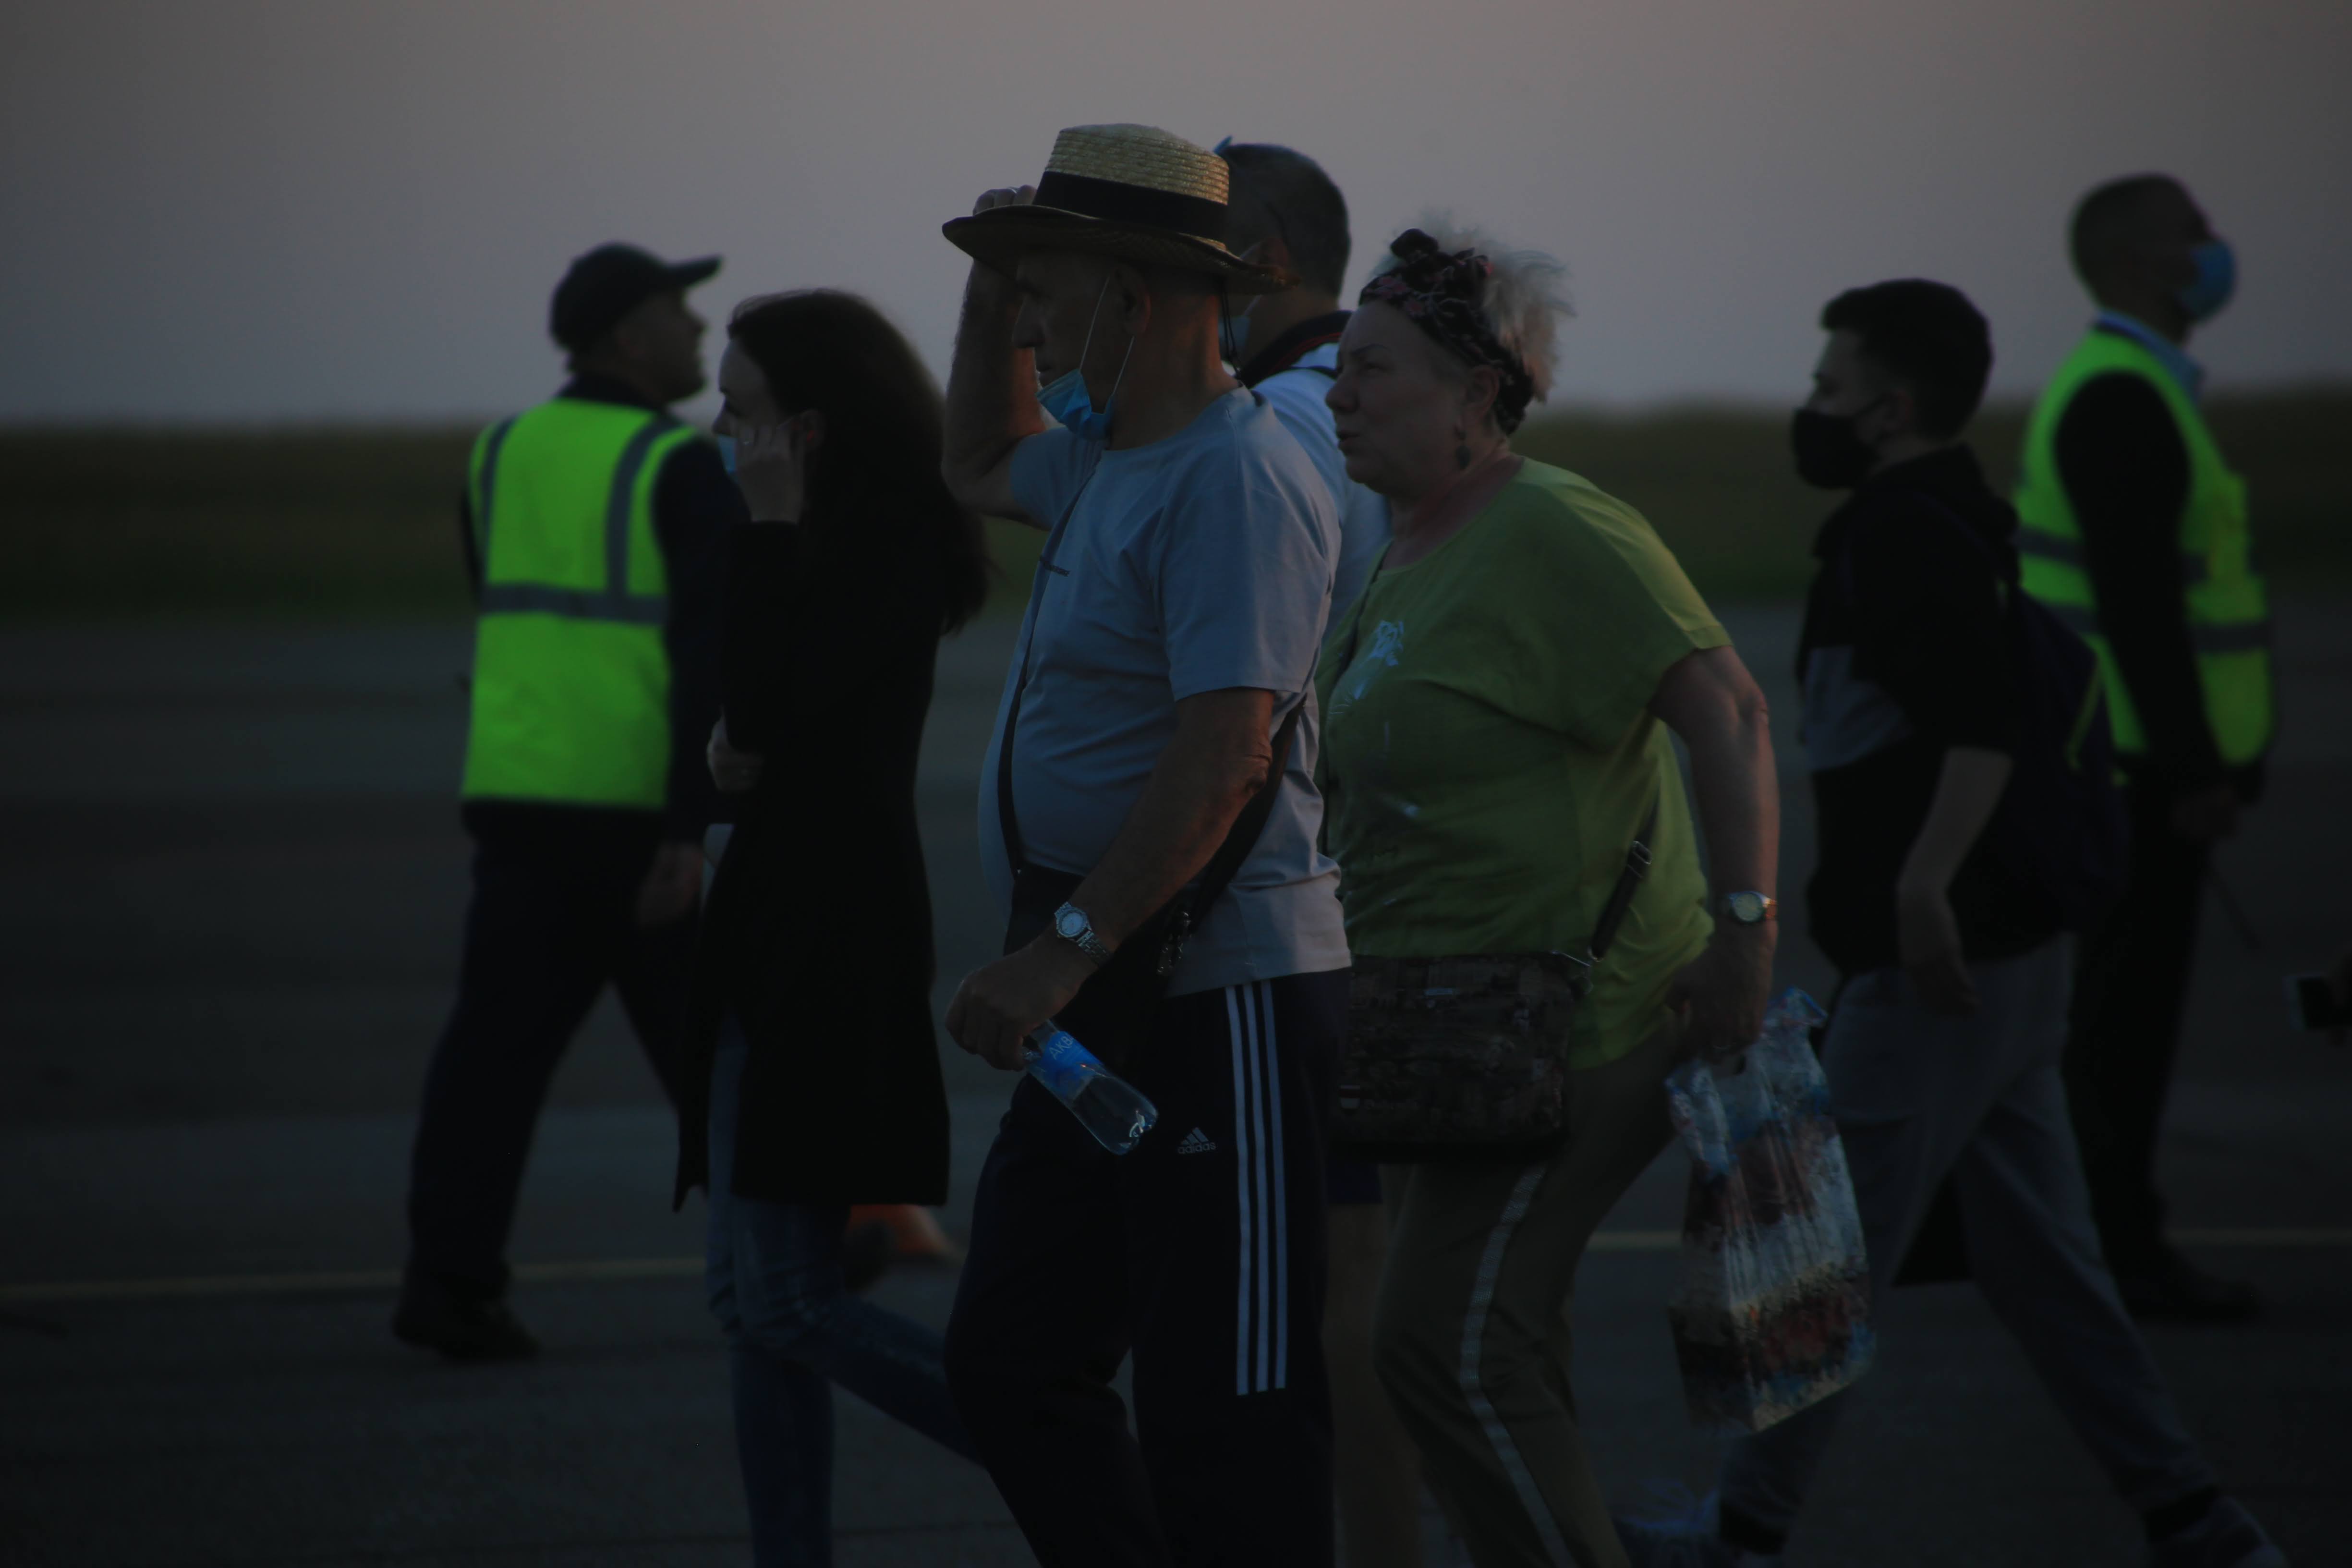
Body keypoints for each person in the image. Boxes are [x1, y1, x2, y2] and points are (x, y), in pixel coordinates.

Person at [1618, 280, 2284, 1568]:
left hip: (1937, 973)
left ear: (1890, 406)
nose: (1813, 407)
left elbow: (1980, 726)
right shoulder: (1957, 522)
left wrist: (1923, 887)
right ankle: (2196, 1521)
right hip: (2010, 967)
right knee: (2050, 1274)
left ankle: (1738, 1538)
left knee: (1821, 1262)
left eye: (1829, 386)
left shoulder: (1901, 536)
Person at [1319, 223, 1780, 1568]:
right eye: (1339, 368)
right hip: (1446, 1033)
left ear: (1477, 390)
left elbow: (1730, 713)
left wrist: (1744, 937)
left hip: (1574, 1026)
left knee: (1440, 1346)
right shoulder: (1407, 547)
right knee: (1494, 1343)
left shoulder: (1556, 525)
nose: (1340, 394)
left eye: (1372, 369)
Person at [935, 123, 1350, 1567]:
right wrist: (988, 282)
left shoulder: (1234, 477)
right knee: (1010, 1361)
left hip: (1212, 991)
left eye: (1045, 292)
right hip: (1106, 977)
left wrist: (1060, 951)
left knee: (1229, 1413)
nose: (1028, 330)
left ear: (1134, 293)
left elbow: (1225, 753)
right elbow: (977, 455)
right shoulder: (1107, 456)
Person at [684, 289, 991, 1567]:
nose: (720, 429)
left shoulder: (883, 546)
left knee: (792, 1303)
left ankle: (1061, 1449)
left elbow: (762, 719)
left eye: (740, 408)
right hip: (762, 930)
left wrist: (763, 531)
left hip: (827, 940)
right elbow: (746, 730)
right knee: (747, 1303)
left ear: (808, 426)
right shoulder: (813, 537)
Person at [396, 243, 731, 1361]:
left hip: (521, 803)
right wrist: (687, 823)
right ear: (628, 336)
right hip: (635, 818)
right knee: (716, 1058)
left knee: (488, 1066)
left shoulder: (500, 450)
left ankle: (447, 1286)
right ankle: (797, 1254)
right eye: (678, 310)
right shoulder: (674, 462)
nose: (698, 328)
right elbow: (707, 659)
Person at [2016, 176, 2274, 1323]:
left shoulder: (2129, 386)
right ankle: (2118, 1253)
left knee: (2111, 1024)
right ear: (2133, 262)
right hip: (2132, 774)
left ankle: (2103, 1243)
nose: (2211, 247)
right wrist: (2193, 768)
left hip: (2119, 762)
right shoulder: (2120, 397)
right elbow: (2139, 605)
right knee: (2123, 1031)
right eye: (2189, 232)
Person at [1218, 137, 1418, 1568]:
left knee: (1344, 1283)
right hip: (1377, 887)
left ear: (1268, 259)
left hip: (1328, 904)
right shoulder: (1372, 402)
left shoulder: (1286, 421)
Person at [1218, 140, 1393, 614]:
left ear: (1267, 264)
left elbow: (1262, 629)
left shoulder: (1281, 412)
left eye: (1208, 253)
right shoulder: (1350, 379)